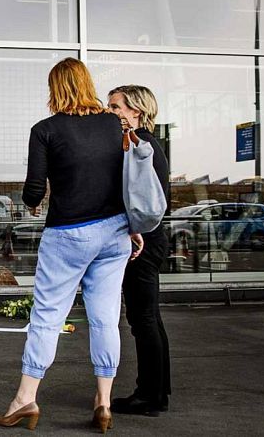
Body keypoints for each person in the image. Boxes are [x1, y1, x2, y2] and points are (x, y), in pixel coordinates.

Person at [0, 57, 143, 433]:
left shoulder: (45, 130)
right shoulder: (112, 123)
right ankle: (104, 402)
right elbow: (124, 178)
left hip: (68, 234)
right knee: (106, 317)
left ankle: (26, 399)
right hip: (114, 231)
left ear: (54, 89)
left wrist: (35, 200)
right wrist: (132, 224)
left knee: (47, 317)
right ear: (87, 84)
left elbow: (31, 192)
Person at [107, 85, 171, 417]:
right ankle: (158, 390)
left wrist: (133, 229)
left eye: (116, 106)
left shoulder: (140, 145)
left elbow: (143, 199)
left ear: (137, 110)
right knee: (150, 317)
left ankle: (148, 396)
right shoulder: (147, 144)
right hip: (152, 237)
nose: (111, 111)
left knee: (142, 318)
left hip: (143, 240)